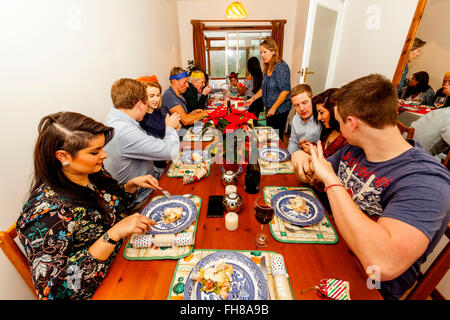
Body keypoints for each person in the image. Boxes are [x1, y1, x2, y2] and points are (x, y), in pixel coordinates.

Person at [291, 74, 450, 300]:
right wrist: (300, 159)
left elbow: (381, 264)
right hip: (335, 243)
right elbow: (317, 175)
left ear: (352, 123)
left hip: (370, 284)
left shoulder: (426, 181)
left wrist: (331, 180)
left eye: (339, 121)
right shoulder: (354, 150)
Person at [17, 112, 159, 299]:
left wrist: (129, 186)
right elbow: (54, 292)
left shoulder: (91, 174)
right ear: (63, 156)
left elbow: (109, 209)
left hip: (125, 260)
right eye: (94, 152)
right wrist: (112, 235)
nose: (104, 155)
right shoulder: (47, 211)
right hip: (105, 288)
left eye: (101, 148)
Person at [104, 78, 181, 213]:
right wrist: (170, 128)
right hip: (140, 197)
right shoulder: (124, 131)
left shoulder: (115, 119)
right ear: (140, 104)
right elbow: (170, 152)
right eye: (147, 102)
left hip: (151, 177)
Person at [245, 37, 292, 135]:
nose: (262, 55)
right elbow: (263, 88)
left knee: (276, 136)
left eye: (265, 52)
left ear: (273, 51)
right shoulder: (268, 67)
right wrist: (252, 99)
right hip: (270, 108)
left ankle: (278, 150)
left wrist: (274, 108)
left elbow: (285, 90)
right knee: (271, 134)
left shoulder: (281, 67)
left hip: (280, 109)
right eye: (261, 52)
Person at [300, 88, 347, 158]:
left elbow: (335, 165)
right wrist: (311, 146)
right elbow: (325, 151)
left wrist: (314, 153)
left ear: (333, 111)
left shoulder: (347, 139)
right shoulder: (330, 130)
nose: (319, 118)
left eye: (321, 112)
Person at [161, 67, 208, 134]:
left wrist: (191, 114)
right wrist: (207, 113)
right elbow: (185, 120)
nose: (187, 85)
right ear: (174, 82)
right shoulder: (169, 96)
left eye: (187, 82)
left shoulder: (180, 95)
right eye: (185, 82)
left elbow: (181, 117)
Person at [138, 81, 171, 173]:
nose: (156, 99)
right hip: (159, 165)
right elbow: (154, 146)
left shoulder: (157, 111)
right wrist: (170, 128)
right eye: (151, 96)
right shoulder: (142, 119)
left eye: (158, 95)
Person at [287, 84, 321, 155]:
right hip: (300, 157)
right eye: (296, 105)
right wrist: (292, 157)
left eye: (305, 103)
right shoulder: (295, 119)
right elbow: (293, 142)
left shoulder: (321, 118)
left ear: (312, 99)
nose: (301, 109)